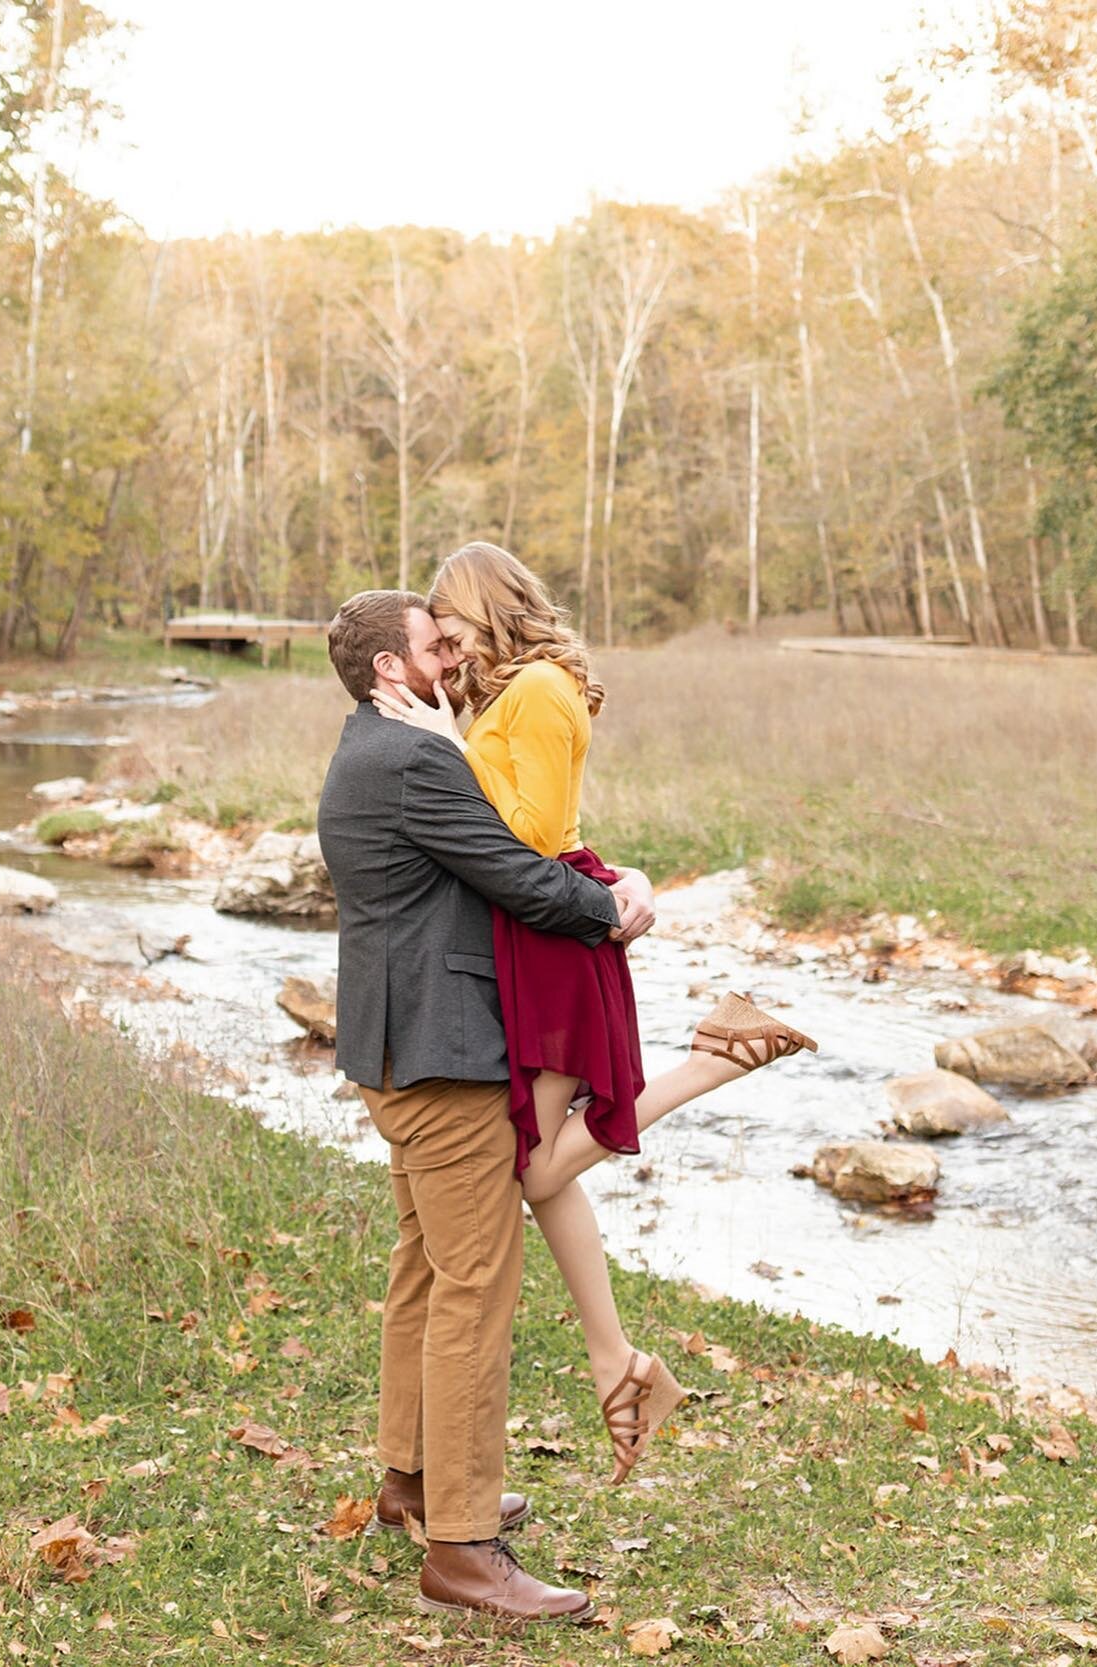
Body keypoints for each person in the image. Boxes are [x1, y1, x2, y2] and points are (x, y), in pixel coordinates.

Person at [370, 542, 817, 1485]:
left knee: (529, 1172)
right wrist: (455, 729)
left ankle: (712, 1060)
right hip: (534, 928)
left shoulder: (536, 687)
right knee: (535, 1173)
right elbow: (544, 819)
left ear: (484, 605)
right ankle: (617, 1364)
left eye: (448, 619)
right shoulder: (513, 689)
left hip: (553, 933)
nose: (443, 638)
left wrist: (447, 755)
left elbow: (531, 832)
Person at [316, 589, 658, 1624]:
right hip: (444, 1052)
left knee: (425, 1268)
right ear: (390, 668)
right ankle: (463, 1548)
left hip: (394, 1047)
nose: (451, 659)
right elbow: (515, 872)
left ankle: (413, 1481)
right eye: (433, 646)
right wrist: (615, 908)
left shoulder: (368, 746)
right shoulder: (418, 758)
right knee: (474, 1285)